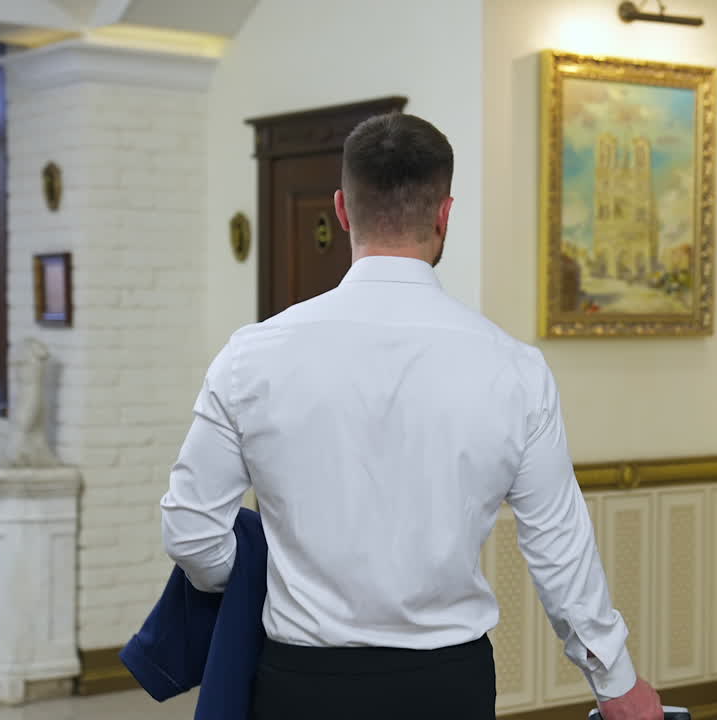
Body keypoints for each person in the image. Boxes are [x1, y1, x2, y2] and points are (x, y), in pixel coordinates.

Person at [160, 112, 663, 720]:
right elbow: (559, 545)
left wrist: (255, 580)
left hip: (301, 683)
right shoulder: (515, 370)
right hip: (447, 685)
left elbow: (190, 532)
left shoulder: (251, 357)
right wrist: (616, 681)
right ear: (445, 214)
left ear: (343, 210)